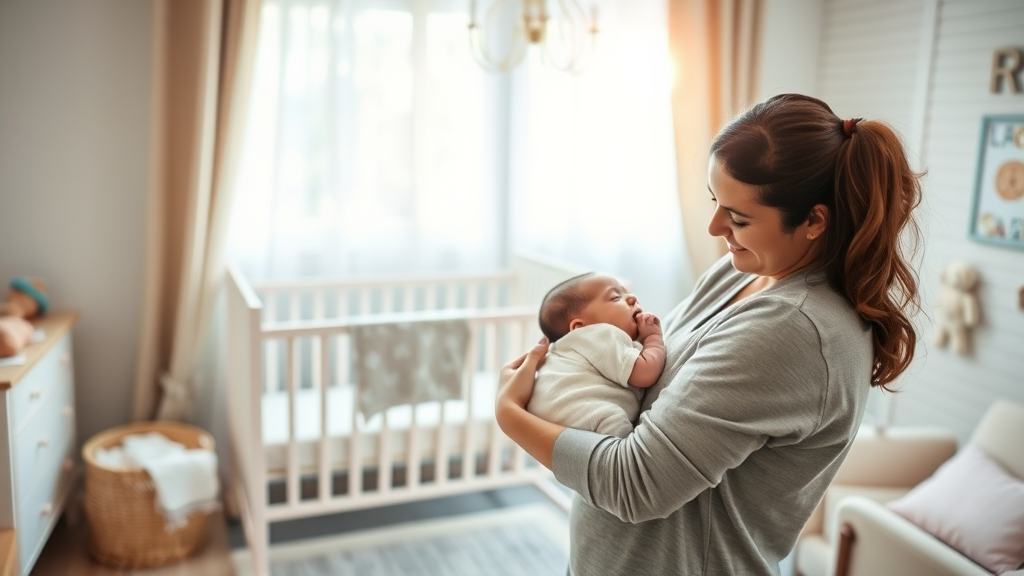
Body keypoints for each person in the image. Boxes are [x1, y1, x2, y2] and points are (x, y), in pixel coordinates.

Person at [495, 93, 922, 576]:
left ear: (813, 222)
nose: (715, 225)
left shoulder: (792, 330)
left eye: (738, 218)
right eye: (716, 201)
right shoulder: (742, 272)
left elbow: (637, 483)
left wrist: (510, 416)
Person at [529, 272, 666, 438]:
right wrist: (653, 338)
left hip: (545, 420)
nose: (632, 297)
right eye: (616, 297)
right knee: (622, 444)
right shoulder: (599, 334)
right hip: (589, 414)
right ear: (580, 327)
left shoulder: (564, 351)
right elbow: (645, 372)